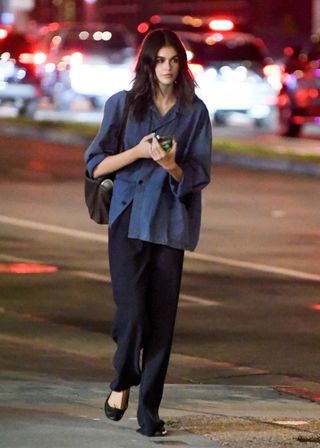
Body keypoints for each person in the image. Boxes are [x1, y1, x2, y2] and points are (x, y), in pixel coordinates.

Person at [85, 29, 212, 437]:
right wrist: (139, 152)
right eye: (160, 60)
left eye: (174, 60)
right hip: (127, 219)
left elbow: (200, 173)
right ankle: (122, 376)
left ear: (183, 63)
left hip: (170, 222)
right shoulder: (123, 105)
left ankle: (149, 412)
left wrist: (172, 165)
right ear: (147, 63)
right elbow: (96, 165)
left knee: (161, 321)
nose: (168, 68)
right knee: (132, 312)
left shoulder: (195, 112)